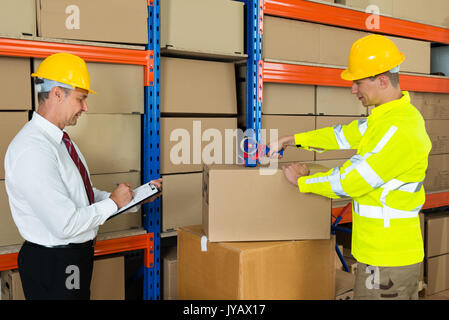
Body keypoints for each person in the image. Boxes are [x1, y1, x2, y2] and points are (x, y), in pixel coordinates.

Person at [269, 35, 431, 300]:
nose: (353, 90)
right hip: (380, 253)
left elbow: (350, 181)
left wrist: (302, 180)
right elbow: (341, 135)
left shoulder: (399, 129)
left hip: (387, 258)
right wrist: (292, 140)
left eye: (358, 82)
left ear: (382, 80)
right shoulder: (386, 118)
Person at [4, 52, 162, 300]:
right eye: (81, 98)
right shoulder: (33, 150)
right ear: (57, 94)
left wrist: (132, 199)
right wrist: (113, 203)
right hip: (55, 262)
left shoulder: (60, 142)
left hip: (71, 257)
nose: (85, 107)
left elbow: (80, 198)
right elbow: (66, 223)